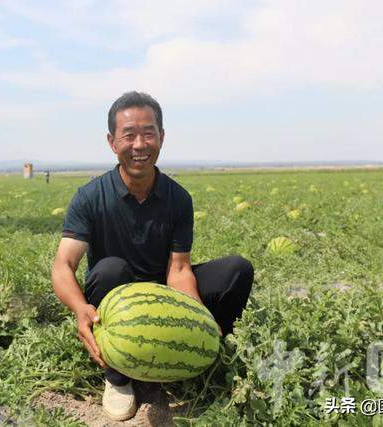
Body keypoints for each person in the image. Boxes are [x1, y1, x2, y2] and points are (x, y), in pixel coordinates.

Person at [50, 91, 254, 421]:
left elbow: (179, 268)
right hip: (116, 296)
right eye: (129, 135)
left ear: (161, 137)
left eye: (149, 133)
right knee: (109, 270)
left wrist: (196, 314)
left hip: (163, 290)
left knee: (237, 270)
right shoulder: (90, 197)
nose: (140, 144)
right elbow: (63, 265)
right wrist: (79, 309)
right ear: (112, 142)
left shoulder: (177, 198)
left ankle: (203, 351)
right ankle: (118, 377)